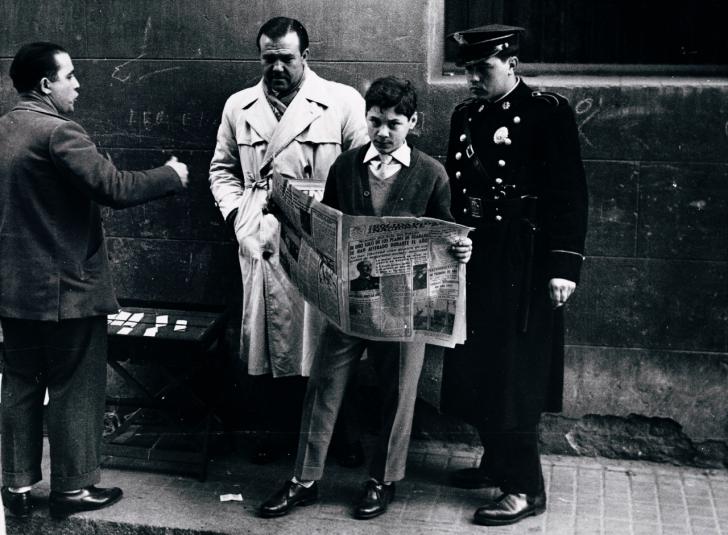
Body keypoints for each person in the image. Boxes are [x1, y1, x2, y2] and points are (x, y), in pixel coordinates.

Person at [260, 76, 472, 520]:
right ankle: (304, 478)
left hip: (405, 306)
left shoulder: (431, 173)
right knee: (324, 384)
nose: (382, 132)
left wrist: (460, 248)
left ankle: (383, 480)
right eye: (375, 121)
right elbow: (328, 223)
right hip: (349, 302)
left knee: (399, 391)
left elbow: (447, 227)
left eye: (394, 124)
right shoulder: (346, 165)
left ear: (412, 122)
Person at [0, 42, 188, 519]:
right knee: (74, 386)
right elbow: (113, 187)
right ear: (46, 84)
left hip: (13, 290)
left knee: (20, 381)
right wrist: (170, 174)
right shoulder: (60, 133)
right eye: (71, 75)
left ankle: (16, 487)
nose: (78, 84)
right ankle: (72, 489)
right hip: (67, 291)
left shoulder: (3, 131)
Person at [440, 25, 588, 526]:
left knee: (514, 376)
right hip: (475, 258)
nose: (473, 80)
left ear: (511, 64)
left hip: (523, 264)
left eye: (483, 69)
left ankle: (526, 488)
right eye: (468, 70)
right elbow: (457, 192)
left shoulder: (547, 113)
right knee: (480, 366)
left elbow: (569, 195)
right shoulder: (465, 116)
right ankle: (495, 461)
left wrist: (563, 265)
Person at [208, 16, 369, 464]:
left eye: (286, 58)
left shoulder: (340, 101)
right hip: (263, 233)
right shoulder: (239, 106)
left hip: (320, 231)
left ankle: (339, 436)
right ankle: (274, 433)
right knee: (270, 337)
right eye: (269, 58)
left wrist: (340, 225)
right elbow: (221, 169)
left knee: (329, 339)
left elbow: (361, 169)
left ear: (306, 56)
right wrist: (238, 216)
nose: (277, 67)